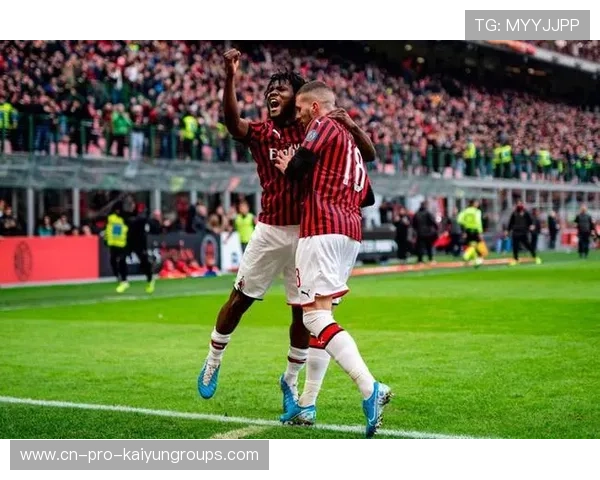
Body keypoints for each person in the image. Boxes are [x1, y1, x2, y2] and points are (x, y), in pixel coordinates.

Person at [197, 50, 377, 422]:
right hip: (270, 228)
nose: (272, 93)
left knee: (303, 314)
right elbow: (232, 123)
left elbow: (363, 153)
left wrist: (351, 125)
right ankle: (213, 359)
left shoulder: (314, 127)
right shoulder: (263, 133)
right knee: (240, 299)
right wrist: (230, 78)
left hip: (309, 231)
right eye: (269, 90)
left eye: (281, 89)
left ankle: (291, 384)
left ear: (299, 99)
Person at [274, 80, 390, 439]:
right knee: (322, 317)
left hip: (322, 228)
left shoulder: (323, 125)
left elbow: (298, 168)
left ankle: (370, 387)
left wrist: (287, 165)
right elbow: (368, 197)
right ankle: (307, 404)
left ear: (314, 107)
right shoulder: (350, 144)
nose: (298, 117)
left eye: (300, 110)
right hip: (350, 232)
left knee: (312, 316)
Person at [506, 199, 542, 266]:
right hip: (515, 233)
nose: (519, 205)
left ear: (522, 204)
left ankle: (535, 257)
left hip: (523, 232)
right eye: (518, 204)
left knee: (528, 246)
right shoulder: (514, 213)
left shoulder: (526, 213)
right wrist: (507, 230)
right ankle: (515, 260)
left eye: (520, 203)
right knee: (515, 247)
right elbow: (510, 223)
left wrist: (532, 225)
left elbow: (531, 221)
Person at [458, 199, 484, 267]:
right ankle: (467, 255)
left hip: (467, 230)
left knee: (471, 245)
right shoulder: (477, 211)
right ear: (473, 203)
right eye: (476, 203)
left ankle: (475, 260)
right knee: (476, 245)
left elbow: (459, 220)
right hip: (475, 230)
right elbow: (478, 222)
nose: (477, 204)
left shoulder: (465, 211)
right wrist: (480, 232)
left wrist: (464, 229)